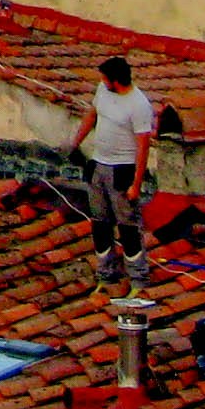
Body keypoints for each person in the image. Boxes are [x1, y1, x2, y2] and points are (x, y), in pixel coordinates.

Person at [72, 54, 159, 287]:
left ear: (115, 80)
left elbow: (143, 146)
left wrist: (136, 184)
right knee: (100, 223)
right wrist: (75, 142)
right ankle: (105, 273)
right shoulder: (103, 90)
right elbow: (92, 115)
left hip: (122, 170)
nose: (102, 81)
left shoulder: (138, 105)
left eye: (104, 78)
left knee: (128, 226)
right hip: (99, 165)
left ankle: (138, 278)